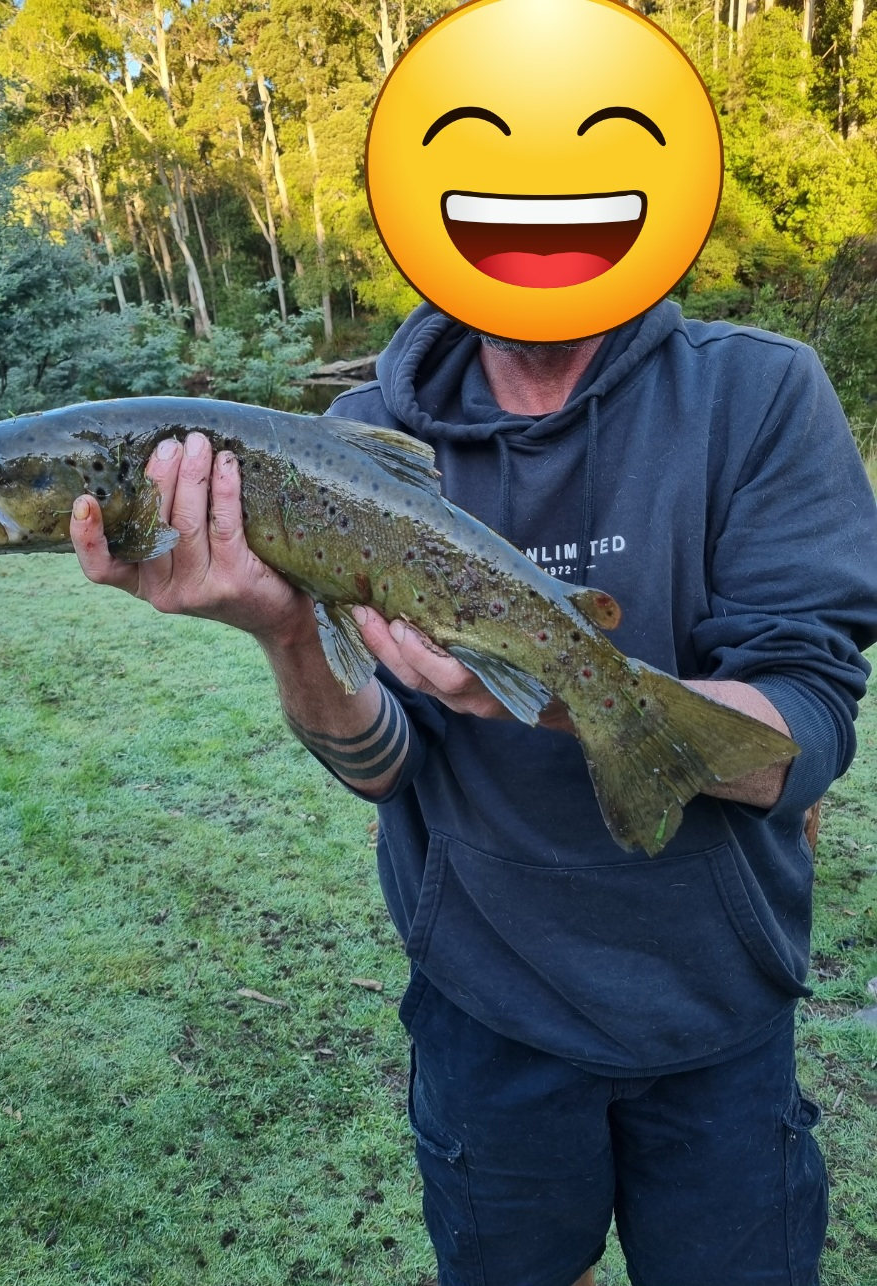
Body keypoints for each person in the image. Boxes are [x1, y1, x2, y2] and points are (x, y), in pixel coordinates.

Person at [69, 296, 877, 1286]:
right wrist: (283, 627)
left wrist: (557, 697)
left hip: (718, 1000)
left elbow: (809, 728)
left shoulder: (759, 389)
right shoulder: (361, 438)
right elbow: (385, 764)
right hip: (486, 1001)